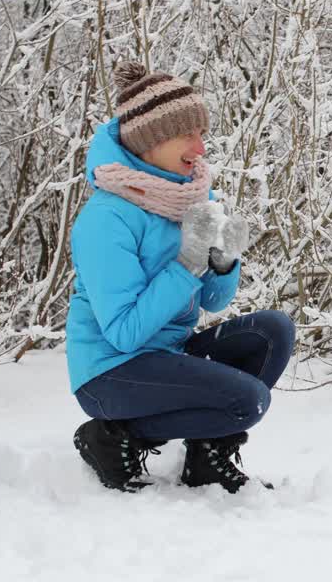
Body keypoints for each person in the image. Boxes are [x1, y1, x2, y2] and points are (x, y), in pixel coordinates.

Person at [65, 61, 295, 493]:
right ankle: (114, 438)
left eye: (202, 133)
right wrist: (188, 263)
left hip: (168, 354)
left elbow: (212, 301)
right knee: (246, 400)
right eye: (188, 134)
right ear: (151, 142)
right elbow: (125, 332)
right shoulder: (106, 219)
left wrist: (222, 260)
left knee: (272, 332)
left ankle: (207, 458)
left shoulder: (184, 200)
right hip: (111, 373)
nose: (201, 148)